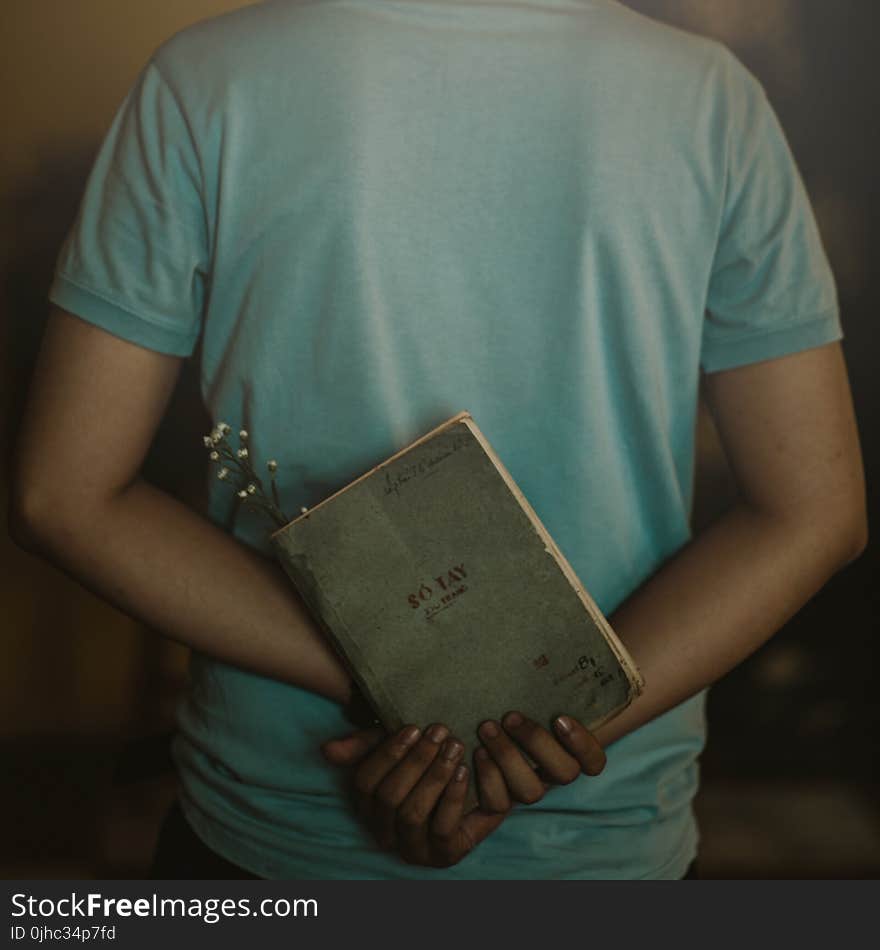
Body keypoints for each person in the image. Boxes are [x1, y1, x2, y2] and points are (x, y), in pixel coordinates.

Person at [10, 0, 866, 879]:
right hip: (599, 835)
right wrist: (548, 726)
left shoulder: (206, 79)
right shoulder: (714, 102)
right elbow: (814, 510)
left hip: (272, 828)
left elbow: (64, 496)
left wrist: (392, 689)